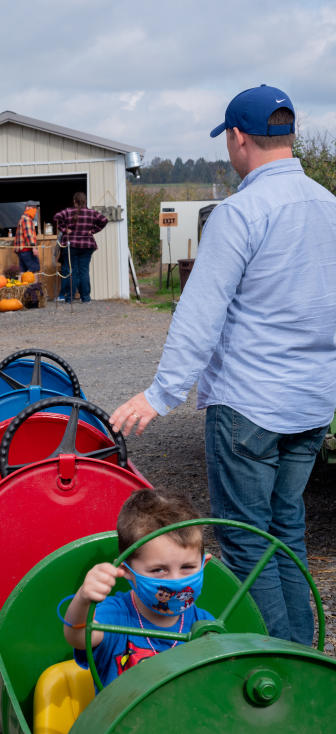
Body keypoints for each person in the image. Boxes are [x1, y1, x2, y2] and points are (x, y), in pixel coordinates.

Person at [110, 85, 336, 646]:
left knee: (246, 542)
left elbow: (200, 312)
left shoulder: (241, 212)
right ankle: (305, 658)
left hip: (250, 404)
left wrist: (160, 394)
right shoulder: (329, 207)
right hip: (313, 402)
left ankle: (276, 665)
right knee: (287, 532)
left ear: (238, 138)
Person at [62, 490, 213, 688]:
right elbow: (78, 637)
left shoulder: (205, 626)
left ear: (204, 564)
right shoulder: (115, 616)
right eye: (159, 570)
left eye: (187, 567)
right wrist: (83, 598)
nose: (176, 581)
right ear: (127, 570)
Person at [53, 193, 107, 303]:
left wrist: (64, 229)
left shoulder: (68, 212)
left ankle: (69, 298)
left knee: (71, 271)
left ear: (74, 201)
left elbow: (56, 217)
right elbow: (104, 220)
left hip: (71, 244)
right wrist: (92, 230)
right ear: (85, 201)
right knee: (84, 271)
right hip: (87, 245)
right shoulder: (92, 213)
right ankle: (86, 298)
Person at [13, 204, 40, 274]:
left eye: (34, 208)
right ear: (27, 208)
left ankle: (23, 285)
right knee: (34, 270)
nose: (34, 210)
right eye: (33, 208)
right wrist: (34, 248)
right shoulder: (27, 219)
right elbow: (28, 235)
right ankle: (35, 285)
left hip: (22, 250)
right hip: (27, 250)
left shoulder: (22, 219)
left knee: (23, 271)